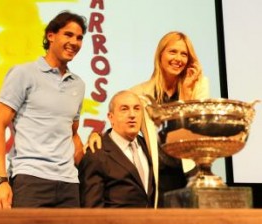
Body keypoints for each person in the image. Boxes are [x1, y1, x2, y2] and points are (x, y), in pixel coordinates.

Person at [86, 31, 209, 207]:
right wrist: (97, 135)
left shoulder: (199, 85)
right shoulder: (140, 92)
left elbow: (200, 130)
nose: (178, 58)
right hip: (160, 177)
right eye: (172, 52)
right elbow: (119, 121)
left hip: (191, 172)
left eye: (184, 54)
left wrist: (187, 96)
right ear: (160, 55)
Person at [0, 11, 87, 209]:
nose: (74, 42)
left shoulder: (78, 85)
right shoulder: (24, 73)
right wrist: (0, 181)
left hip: (69, 185)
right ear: (51, 35)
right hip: (31, 179)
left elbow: (72, 133)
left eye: (79, 38)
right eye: (68, 35)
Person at [79, 90, 155, 207]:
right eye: (124, 109)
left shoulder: (149, 147)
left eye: (136, 109)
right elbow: (91, 210)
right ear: (111, 117)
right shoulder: (96, 153)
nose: (132, 115)